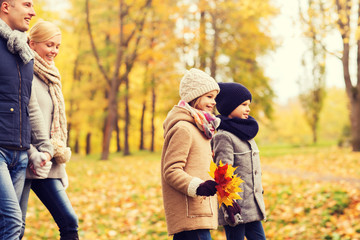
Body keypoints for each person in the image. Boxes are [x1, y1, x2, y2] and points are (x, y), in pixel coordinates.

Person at [19, 20, 79, 240]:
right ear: (32, 44)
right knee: (17, 226)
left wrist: (51, 155)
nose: (54, 51)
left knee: (69, 221)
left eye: (57, 46)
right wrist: (34, 152)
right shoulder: (23, 72)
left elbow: (55, 121)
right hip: (25, 158)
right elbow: (22, 118)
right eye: (49, 45)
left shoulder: (52, 77)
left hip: (48, 160)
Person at [0, 1, 54, 239]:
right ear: (6, 6)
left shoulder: (23, 52)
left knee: (17, 227)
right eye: (26, 4)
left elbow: (30, 105)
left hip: (20, 153)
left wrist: (43, 148)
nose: (32, 12)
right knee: (11, 222)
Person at [161, 68, 220, 240]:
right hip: (190, 213)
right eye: (209, 97)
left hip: (200, 211)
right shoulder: (183, 128)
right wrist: (198, 186)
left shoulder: (202, 128)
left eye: (214, 97)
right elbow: (171, 170)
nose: (214, 102)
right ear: (195, 96)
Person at [211, 82, 266, 240]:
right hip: (236, 208)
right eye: (243, 105)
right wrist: (229, 204)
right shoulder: (224, 136)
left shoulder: (245, 133)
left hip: (252, 206)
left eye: (248, 104)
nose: (248, 109)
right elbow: (222, 172)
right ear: (229, 107)